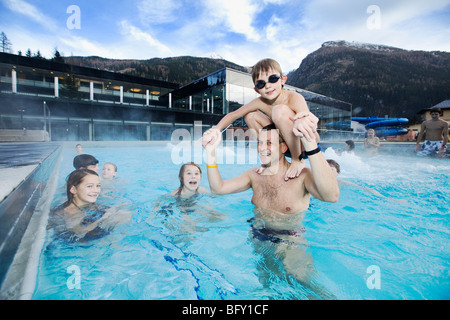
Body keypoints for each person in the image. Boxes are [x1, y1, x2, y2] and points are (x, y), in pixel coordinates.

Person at [202, 58, 319, 181]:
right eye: (261, 84)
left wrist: (306, 123)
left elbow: (307, 124)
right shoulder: (260, 102)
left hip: (304, 145)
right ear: (256, 89)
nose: (267, 86)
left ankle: (297, 160)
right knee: (250, 115)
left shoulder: (294, 97)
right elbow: (233, 115)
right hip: (284, 145)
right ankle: (269, 159)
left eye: (273, 79)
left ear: (283, 80)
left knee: (279, 111)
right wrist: (216, 130)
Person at [203, 121, 339, 215]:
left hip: (288, 239)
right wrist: (211, 152)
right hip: (258, 235)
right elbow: (218, 189)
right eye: (260, 143)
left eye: (268, 143)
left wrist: (310, 145)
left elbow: (332, 197)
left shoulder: (301, 176)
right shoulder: (254, 175)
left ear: (283, 147)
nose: (262, 148)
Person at [48, 169, 130, 242]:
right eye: (89, 186)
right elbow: (80, 233)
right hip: (76, 244)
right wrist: (104, 218)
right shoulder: (71, 212)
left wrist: (114, 209)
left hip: (89, 230)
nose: (96, 190)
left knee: (123, 214)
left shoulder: (88, 204)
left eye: (98, 186)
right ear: (73, 189)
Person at [327, 159, 407, 203]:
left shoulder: (341, 183)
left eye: (331, 169)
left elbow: (363, 189)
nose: (328, 172)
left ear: (337, 173)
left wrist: (384, 198)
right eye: (325, 169)